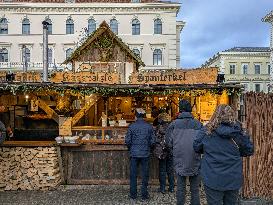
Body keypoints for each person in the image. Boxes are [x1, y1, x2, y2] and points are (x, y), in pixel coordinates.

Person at [193, 104, 254, 205]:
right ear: (232, 115)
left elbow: (196, 147)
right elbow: (249, 150)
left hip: (212, 177)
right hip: (233, 177)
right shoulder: (239, 131)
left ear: (215, 114)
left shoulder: (206, 131)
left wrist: (208, 149)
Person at [166, 99, 203, 205]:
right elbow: (203, 142)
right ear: (190, 110)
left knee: (181, 188)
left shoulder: (173, 124)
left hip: (179, 158)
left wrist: (175, 150)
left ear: (180, 110)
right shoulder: (198, 124)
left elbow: (168, 142)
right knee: (195, 190)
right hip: (195, 158)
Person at [125, 108, 156, 201]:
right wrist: (149, 148)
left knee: (133, 175)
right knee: (145, 175)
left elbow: (127, 141)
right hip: (145, 154)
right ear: (144, 116)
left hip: (134, 154)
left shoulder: (131, 126)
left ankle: (133, 195)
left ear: (136, 116)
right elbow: (153, 141)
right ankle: (144, 195)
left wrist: (131, 148)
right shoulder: (149, 127)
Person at [153, 112, 174, 194]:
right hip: (170, 150)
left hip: (162, 151)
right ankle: (171, 187)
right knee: (170, 170)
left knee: (162, 170)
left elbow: (155, 140)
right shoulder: (172, 127)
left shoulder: (158, 128)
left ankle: (162, 188)